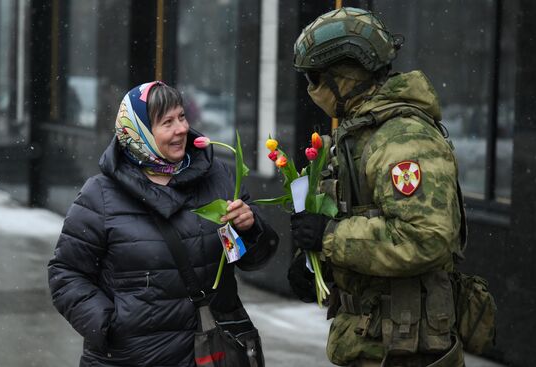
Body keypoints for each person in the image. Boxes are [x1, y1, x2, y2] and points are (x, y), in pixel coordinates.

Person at [48, 81, 278, 366]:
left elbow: (251, 259)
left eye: (182, 116)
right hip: (133, 358)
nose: (181, 128)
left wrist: (250, 227)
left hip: (211, 352)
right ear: (138, 133)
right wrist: (108, 325)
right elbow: (66, 273)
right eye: (167, 122)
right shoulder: (100, 195)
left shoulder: (217, 176)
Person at [288, 7, 466, 367]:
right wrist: (314, 266)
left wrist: (329, 237)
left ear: (345, 75)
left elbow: (426, 237)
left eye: (316, 78)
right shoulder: (362, 133)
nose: (312, 90)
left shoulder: (403, 139)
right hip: (370, 340)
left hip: (406, 350)